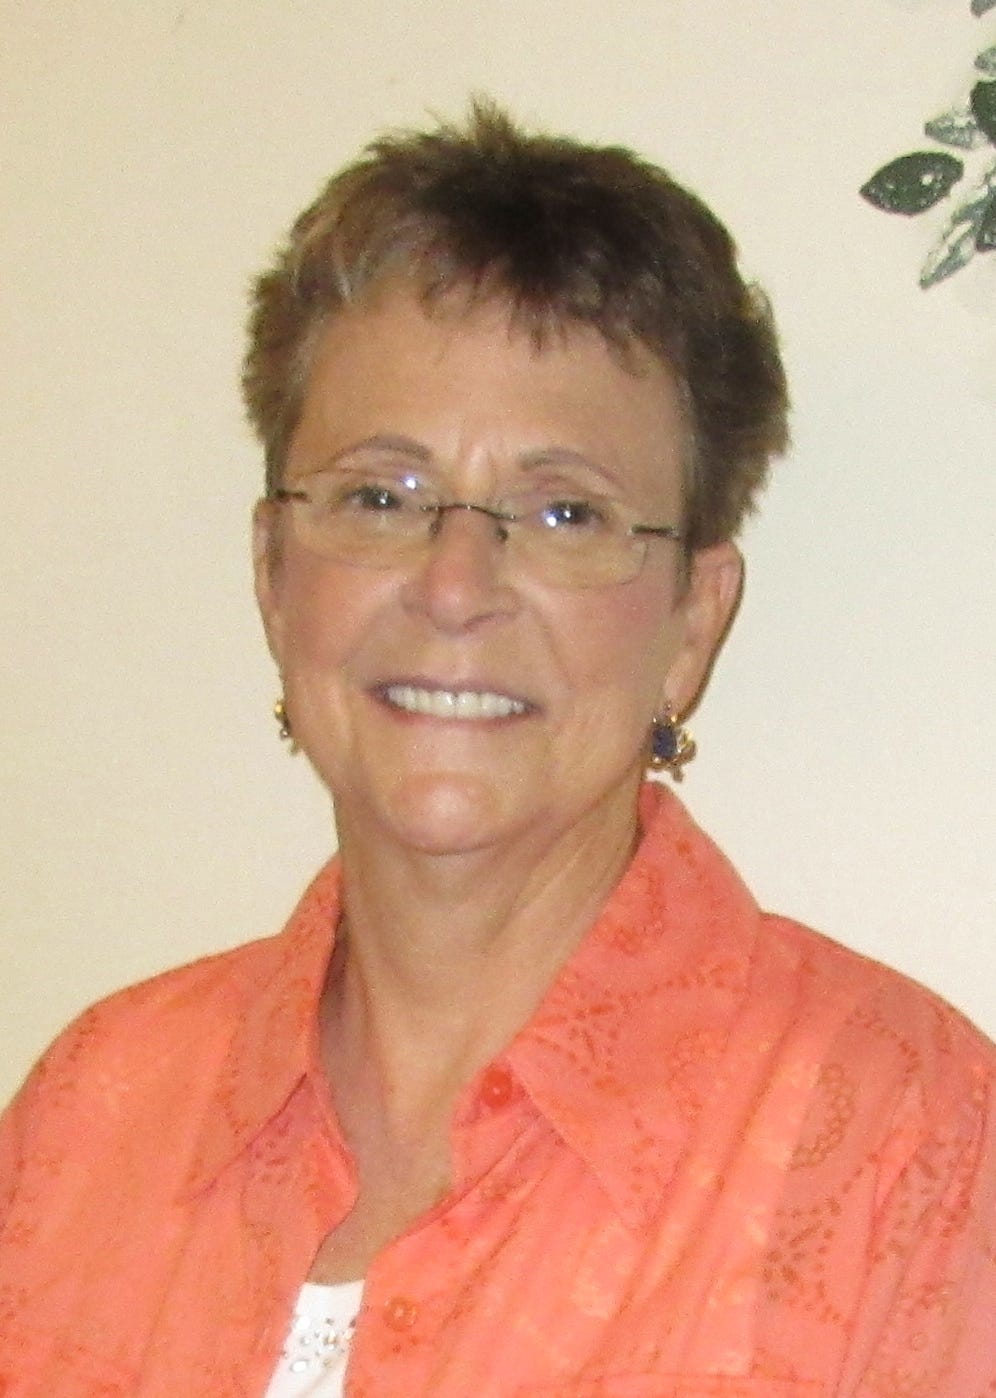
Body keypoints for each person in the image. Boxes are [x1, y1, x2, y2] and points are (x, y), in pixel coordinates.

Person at [1, 100, 994, 1397]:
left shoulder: (906, 1154)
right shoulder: (94, 1109)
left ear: (692, 622)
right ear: (274, 574)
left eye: (565, 510)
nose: (456, 584)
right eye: (381, 495)